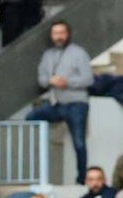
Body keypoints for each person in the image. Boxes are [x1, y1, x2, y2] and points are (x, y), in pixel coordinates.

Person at [25, 20, 92, 184]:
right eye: (56, 33)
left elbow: (88, 79)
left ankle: (82, 178)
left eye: (62, 33)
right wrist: (50, 81)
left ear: (68, 34)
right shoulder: (48, 55)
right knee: (31, 118)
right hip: (56, 104)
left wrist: (66, 82)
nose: (59, 36)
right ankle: (36, 171)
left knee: (79, 142)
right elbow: (41, 79)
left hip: (77, 104)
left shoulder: (79, 53)